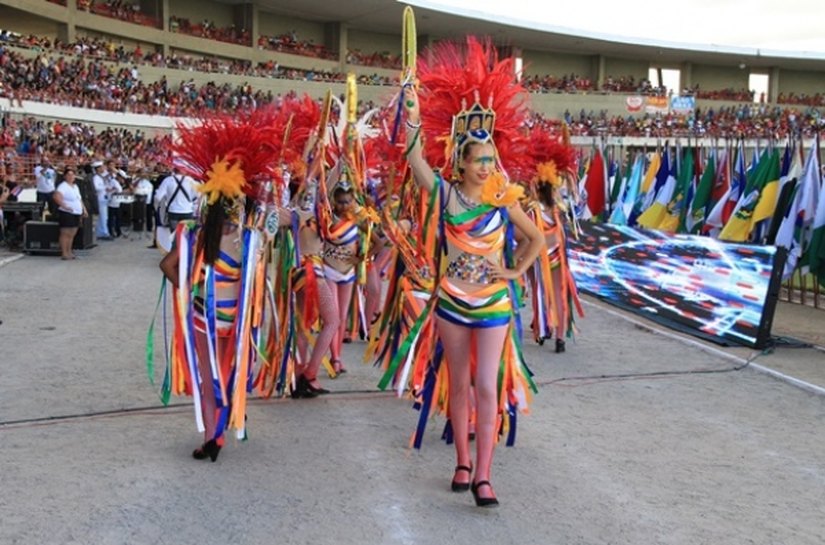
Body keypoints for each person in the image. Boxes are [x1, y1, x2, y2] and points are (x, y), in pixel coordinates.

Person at [392, 38, 544, 508]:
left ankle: (484, 474)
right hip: (453, 300)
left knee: (485, 385)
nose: (486, 165)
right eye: (478, 159)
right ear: (460, 162)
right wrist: (412, 114)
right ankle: (461, 461)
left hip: (494, 303)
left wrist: (514, 270)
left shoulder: (504, 199)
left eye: (489, 158)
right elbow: (415, 162)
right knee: (457, 384)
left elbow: (538, 240)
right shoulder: (444, 194)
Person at [52, 166, 88, 260]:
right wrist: (64, 206)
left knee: (72, 233)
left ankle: (69, 251)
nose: (71, 177)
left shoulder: (75, 186)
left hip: (76, 212)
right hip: (67, 212)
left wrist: (84, 209)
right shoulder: (63, 186)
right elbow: (56, 196)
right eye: (69, 175)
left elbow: (79, 199)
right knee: (65, 232)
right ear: (65, 176)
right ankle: (64, 252)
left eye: (72, 175)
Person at [155, 166, 197, 233]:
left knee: (174, 235)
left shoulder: (167, 180)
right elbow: (198, 194)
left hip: (173, 212)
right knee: (188, 236)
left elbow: (158, 196)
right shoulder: (190, 180)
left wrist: (166, 200)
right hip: (188, 212)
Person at [91, 160, 111, 240]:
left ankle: (101, 232)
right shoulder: (96, 177)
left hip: (104, 198)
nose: (103, 168)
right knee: (103, 216)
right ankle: (104, 233)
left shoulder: (100, 177)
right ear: (98, 168)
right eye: (101, 167)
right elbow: (96, 187)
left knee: (104, 216)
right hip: (100, 198)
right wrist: (104, 187)